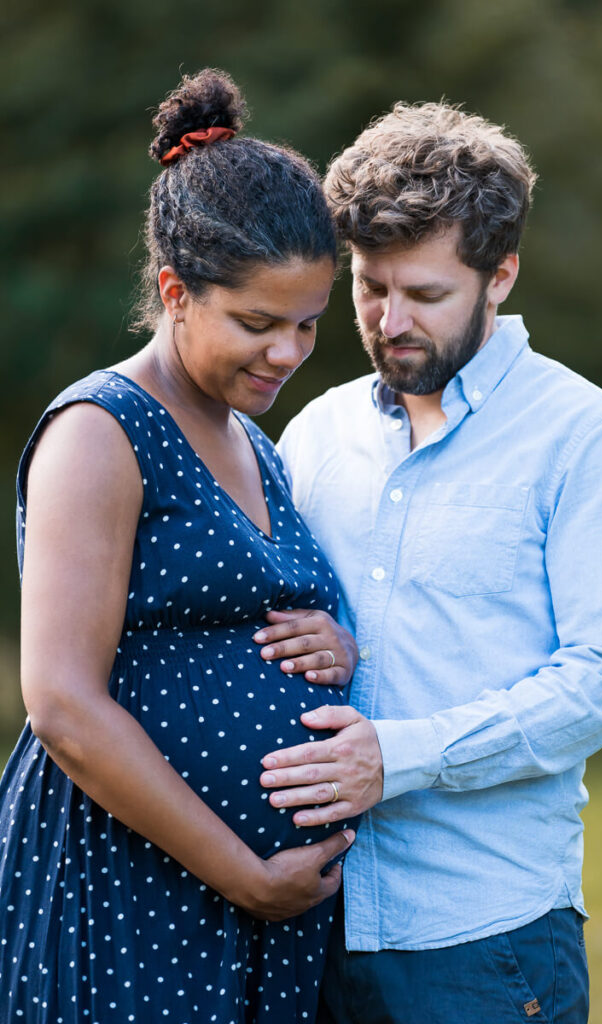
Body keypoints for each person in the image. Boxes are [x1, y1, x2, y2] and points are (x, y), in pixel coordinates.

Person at [252, 101, 602, 1023]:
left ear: (500, 275)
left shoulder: (584, 437)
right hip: (307, 923)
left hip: (483, 940)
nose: (390, 321)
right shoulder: (314, 433)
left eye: (426, 296)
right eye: (368, 287)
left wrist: (397, 757)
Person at [0, 68, 361, 1024]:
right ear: (175, 292)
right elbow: (63, 706)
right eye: (256, 323)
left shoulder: (255, 441)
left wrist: (339, 644)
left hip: (264, 908)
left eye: (308, 325)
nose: (286, 353)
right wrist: (243, 872)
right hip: (132, 889)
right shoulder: (101, 431)